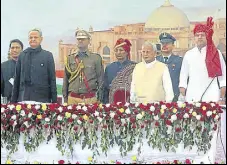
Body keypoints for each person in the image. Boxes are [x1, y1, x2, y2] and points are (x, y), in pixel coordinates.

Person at [179, 17, 226, 104]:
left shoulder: (216, 53)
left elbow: (223, 78)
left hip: (212, 96)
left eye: (202, 35)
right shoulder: (188, 54)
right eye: (197, 35)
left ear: (207, 36)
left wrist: (222, 98)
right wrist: (183, 94)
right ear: (194, 38)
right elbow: (183, 76)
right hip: (192, 97)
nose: (200, 37)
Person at [11, 28, 57, 103]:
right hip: (23, 99)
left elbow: (52, 80)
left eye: (35, 37)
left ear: (41, 39)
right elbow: (17, 80)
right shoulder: (22, 55)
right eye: (30, 37)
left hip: (42, 99)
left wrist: (54, 102)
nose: (33, 39)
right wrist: (13, 102)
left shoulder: (48, 55)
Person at [62, 30, 104, 104]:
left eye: (83, 39)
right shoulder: (70, 58)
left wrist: (100, 99)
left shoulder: (96, 58)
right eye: (78, 39)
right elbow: (66, 80)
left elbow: (100, 79)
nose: (80, 41)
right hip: (73, 99)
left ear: (89, 41)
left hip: (90, 99)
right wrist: (65, 99)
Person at [103, 38, 136, 103]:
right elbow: (106, 89)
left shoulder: (134, 67)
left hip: (130, 103)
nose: (118, 53)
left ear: (127, 52)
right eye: (116, 50)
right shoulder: (109, 68)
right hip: (112, 103)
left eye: (121, 50)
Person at [156, 32, 182, 102]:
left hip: (175, 98)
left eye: (167, 43)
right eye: (162, 43)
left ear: (173, 46)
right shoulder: (156, 60)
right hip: (159, 98)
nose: (164, 45)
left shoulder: (179, 61)